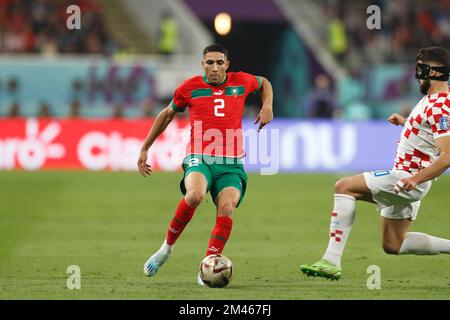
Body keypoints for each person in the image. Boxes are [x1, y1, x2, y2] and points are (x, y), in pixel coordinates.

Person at [300, 46, 450, 280]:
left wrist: (414, 179)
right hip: (410, 180)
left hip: (407, 178)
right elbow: (428, 133)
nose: (417, 74)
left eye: (420, 68)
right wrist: (406, 123)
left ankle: (331, 260)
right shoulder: (431, 100)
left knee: (344, 187)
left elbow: (447, 156)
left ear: (430, 71)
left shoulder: (440, 106)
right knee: (393, 244)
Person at [138, 44, 273, 284]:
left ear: (227, 64)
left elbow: (264, 83)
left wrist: (267, 105)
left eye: (220, 62)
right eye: (210, 62)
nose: (215, 67)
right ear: (203, 65)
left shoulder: (240, 81)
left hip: (231, 163)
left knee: (228, 207)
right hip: (200, 156)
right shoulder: (189, 88)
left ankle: (208, 265)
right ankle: (166, 249)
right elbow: (167, 114)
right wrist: (145, 147)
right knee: (195, 195)